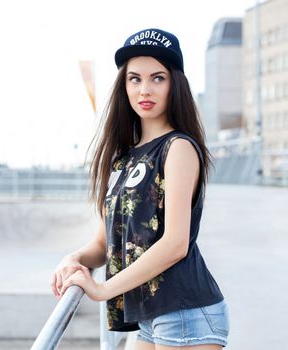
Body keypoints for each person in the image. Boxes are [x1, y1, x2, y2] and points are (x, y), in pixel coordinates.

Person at [51, 28, 230, 349]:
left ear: (175, 83)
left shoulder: (178, 148)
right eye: (134, 78)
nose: (145, 89)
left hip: (185, 311)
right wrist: (74, 258)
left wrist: (103, 289)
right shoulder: (123, 158)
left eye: (157, 78)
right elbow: (103, 241)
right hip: (151, 317)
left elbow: (176, 244)